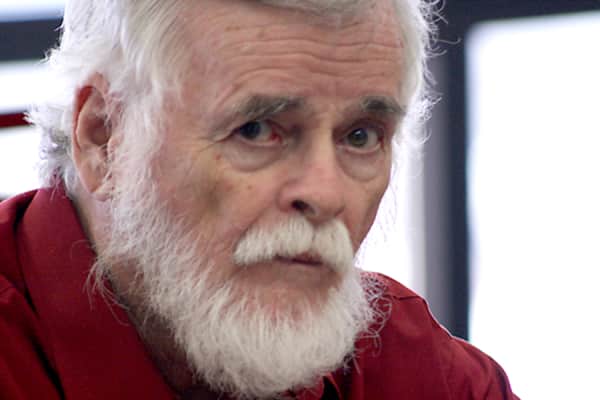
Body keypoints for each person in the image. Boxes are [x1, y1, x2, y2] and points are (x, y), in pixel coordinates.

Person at [0, 0, 520, 399]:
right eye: (256, 129)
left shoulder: (425, 377)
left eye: (360, 136)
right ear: (104, 136)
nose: (326, 194)